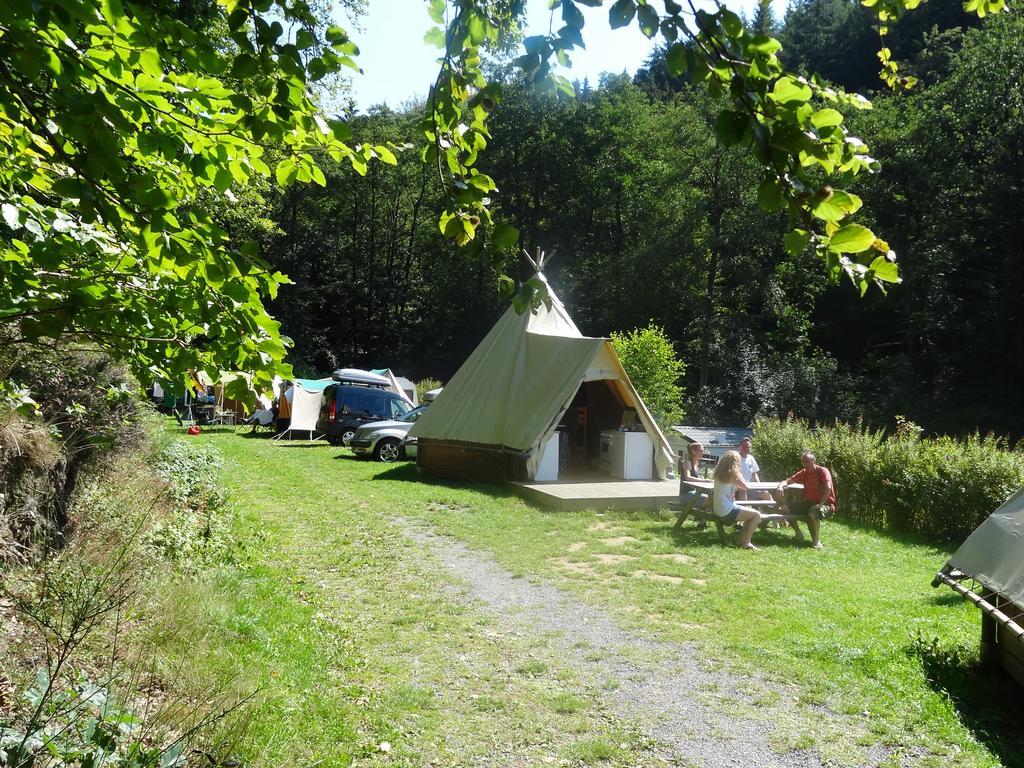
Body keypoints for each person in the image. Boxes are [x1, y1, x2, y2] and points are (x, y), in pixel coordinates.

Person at [777, 450, 836, 549]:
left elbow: (828, 487)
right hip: (809, 503)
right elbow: (787, 481)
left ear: (814, 461)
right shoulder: (804, 473)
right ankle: (799, 534)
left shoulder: (822, 471)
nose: (805, 464)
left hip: (825, 503)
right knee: (785, 509)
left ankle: (817, 541)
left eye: (807, 461)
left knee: (813, 512)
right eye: (803, 462)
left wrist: (821, 504)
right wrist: (780, 486)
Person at [712, 450, 762, 550]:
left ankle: (741, 540)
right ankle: (746, 543)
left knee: (751, 514)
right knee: (757, 515)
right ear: (736, 462)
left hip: (718, 508)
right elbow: (745, 487)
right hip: (727, 509)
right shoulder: (733, 474)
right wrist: (739, 473)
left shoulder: (719, 473)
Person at [737, 436, 770, 500]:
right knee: (743, 491)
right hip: (737, 486)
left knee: (766, 494)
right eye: (744, 447)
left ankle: (774, 509)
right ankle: (745, 509)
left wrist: (760, 486)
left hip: (749, 486)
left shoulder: (751, 458)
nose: (746, 448)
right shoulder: (735, 458)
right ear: (740, 447)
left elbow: (754, 474)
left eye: (748, 447)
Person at [678, 442, 708, 509]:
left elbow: (696, 479)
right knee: (710, 499)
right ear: (693, 451)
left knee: (714, 498)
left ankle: (701, 517)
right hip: (685, 494)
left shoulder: (696, 464)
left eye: (703, 451)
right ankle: (701, 517)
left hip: (694, 492)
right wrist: (705, 480)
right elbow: (688, 477)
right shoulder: (687, 462)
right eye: (700, 451)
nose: (702, 453)